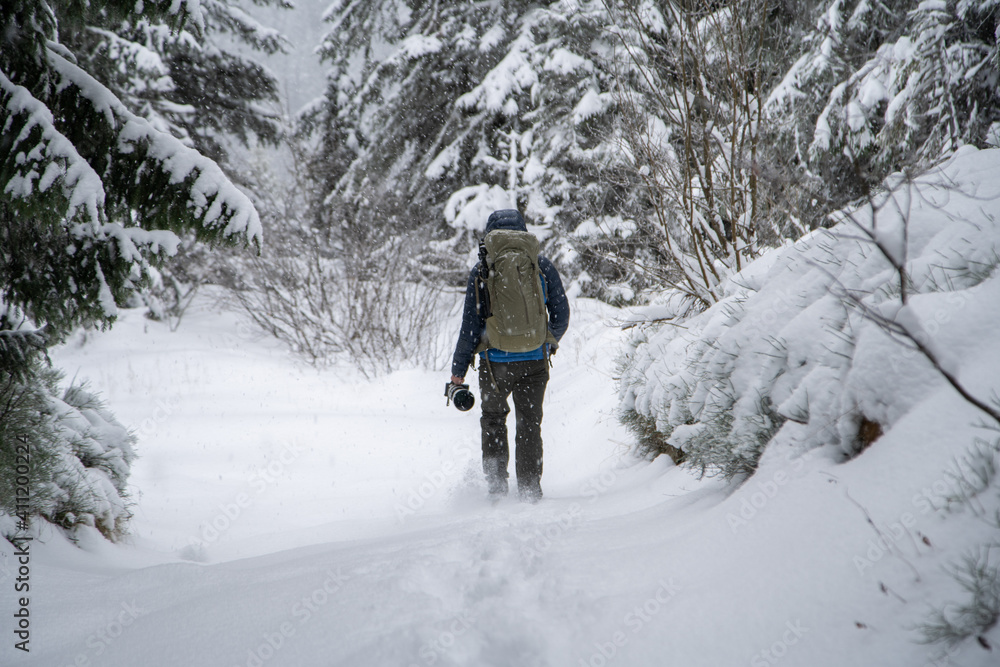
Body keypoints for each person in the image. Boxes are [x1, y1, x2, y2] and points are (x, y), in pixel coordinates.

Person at [449, 209, 570, 503]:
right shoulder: (540, 266)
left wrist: (458, 372)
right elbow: (562, 313)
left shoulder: (482, 270)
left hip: (495, 366)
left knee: (493, 421)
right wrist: (546, 342)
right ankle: (529, 491)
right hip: (534, 363)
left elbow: (470, 326)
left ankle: (497, 491)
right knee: (529, 423)